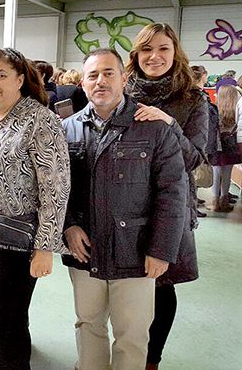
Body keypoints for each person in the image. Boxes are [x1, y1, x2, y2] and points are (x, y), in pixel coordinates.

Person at [62, 48, 187, 370]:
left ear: (124, 78)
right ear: (83, 82)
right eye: (92, 75)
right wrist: (68, 227)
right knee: (87, 324)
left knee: (132, 333)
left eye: (108, 73)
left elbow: (172, 193)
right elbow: (56, 191)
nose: (100, 81)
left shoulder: (152, 128)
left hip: (136, 251)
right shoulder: (67, 129)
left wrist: (161, 250)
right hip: (84, 251)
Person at [0, 48, 70, 369]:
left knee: (8, 325)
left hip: (15, 244)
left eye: (1, 75)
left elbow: (56, 188)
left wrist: (45, 246)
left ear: (21, 79)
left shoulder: (39, 120)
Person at [123, 23, 207, 370]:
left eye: (163, 49)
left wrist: (168, 123)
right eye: (146, 50)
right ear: (136, 55)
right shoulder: (123, 93)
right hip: (122, 204)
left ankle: (151, 360)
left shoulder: (192, 100)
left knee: (161, 283)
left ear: (175, 54)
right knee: (125, 286)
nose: (154, 57)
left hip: (167, 206)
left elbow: (195, 159)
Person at [209, 85, 241, 212]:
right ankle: (224, 200)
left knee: (216, 174)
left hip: (217, 146)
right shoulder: (236, 110)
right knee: (227, 174)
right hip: (230, 146)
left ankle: (214, 202)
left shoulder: (214, 110)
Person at [192, 65, 211, 217]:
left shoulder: (200, 96)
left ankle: (194, 202)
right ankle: (193, 205)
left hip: (198, 141)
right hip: (195, 143)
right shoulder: (196, 97)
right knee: (193, 174)